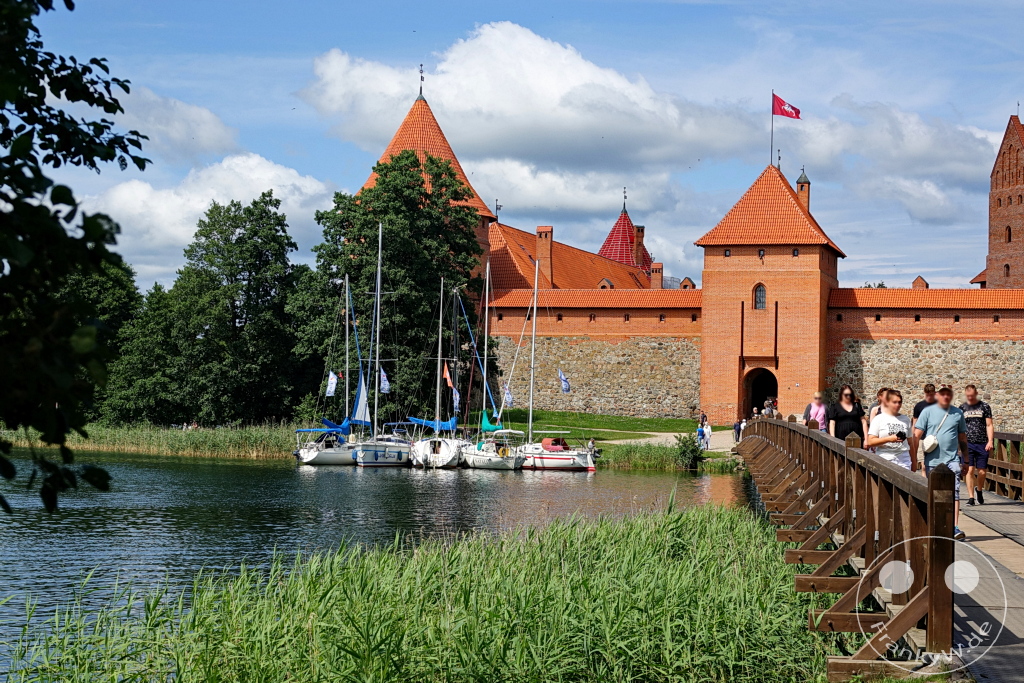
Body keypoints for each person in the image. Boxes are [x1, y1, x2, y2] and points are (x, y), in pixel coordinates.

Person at [913, 385, 968, 540]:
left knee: (955, 493)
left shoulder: (957, 413)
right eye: (942, 395)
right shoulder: (927, 412)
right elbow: (917, 435)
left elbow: (962, 438)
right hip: (933, 460)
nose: (945, 398)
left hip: (952, 459)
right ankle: (935, 524)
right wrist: (914, 457)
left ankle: (954, 527)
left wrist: (967, 459)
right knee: (934, 493)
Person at [960, 385, 994, 506]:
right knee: (969, 470)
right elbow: (959, 427)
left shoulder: (984, 406)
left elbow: (989, 425)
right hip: (968, 444)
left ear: (976, 393)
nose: (970, 397)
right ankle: (971, 497)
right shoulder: (962, 408)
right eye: (968, 396)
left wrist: (990, 441)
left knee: (982, 472)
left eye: (972, 395)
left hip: (982, 443)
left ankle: (979, 490)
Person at [865, 389, 914, 470]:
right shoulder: (879, 419)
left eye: (899, 402)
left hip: (903, 459)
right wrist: (889, 439)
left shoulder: (906, 419)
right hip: (885, 457)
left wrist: (914, 461)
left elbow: (910, 443)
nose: (898, 405)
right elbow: (870, 441)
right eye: (894, 402)